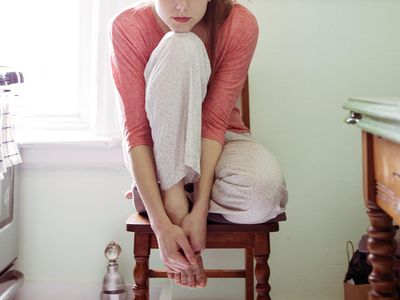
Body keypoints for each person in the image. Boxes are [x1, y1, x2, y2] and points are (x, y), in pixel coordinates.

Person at [110, 0, 288, 290]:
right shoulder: (126, 26)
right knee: (182, 44)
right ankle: (171, 195)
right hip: (162, 146)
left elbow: (215, 122)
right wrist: (161, 223)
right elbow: (137, 131)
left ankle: (170, 194)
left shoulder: (239, 23)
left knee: (260, 197)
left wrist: (201, 207)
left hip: (222, 138)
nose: (182, 6)